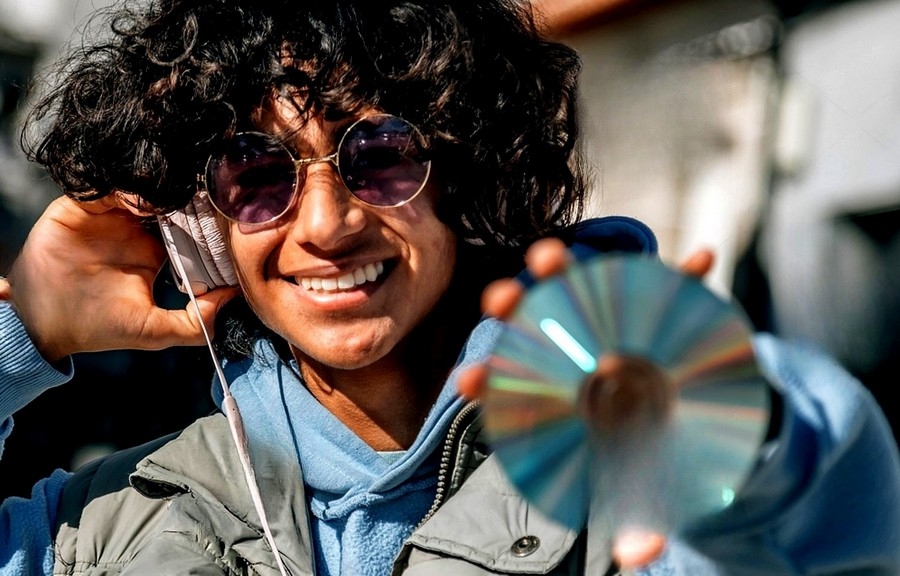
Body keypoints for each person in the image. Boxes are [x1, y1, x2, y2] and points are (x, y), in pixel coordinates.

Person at [0, 0, 898, 575]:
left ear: (468, 169)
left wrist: (734, 420)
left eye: (382, 154)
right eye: (256, 173)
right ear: (199, 224)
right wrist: (24, 332)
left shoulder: (621, 460)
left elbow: (820, 514)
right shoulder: (95, 528)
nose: (327, 226)